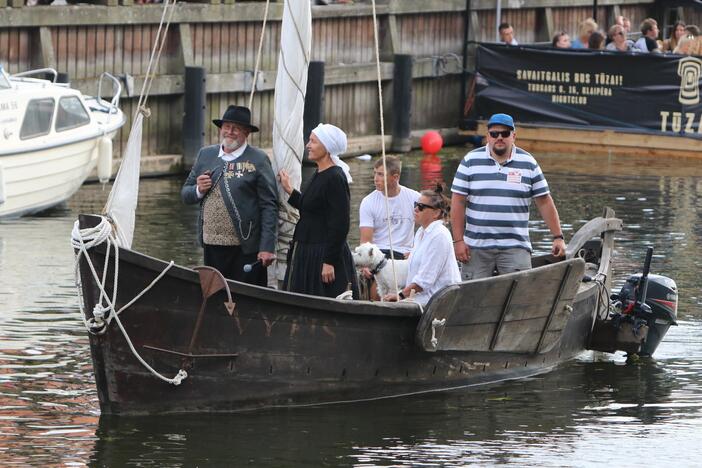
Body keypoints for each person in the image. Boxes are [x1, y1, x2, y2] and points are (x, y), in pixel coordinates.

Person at [450, 113, 566, 280]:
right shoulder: (470, 161)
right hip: (476, 248)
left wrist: (558, 237)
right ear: (487, 136)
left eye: (505, 134)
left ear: (514, 136)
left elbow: (544, 201)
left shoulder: (529, 163)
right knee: (472, 301)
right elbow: (458, 202)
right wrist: (458, 241)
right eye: (494, 134)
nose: (499, 138)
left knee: (520, 300)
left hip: (516, 247)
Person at [181, 105, 278, 286]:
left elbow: (269, 205)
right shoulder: (205, 154)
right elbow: (186, 194)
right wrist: (198, 190)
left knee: (247, 298)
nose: (230, 132)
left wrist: (266, 247)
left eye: (236, 128)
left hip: (245, 245)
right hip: (211, 244)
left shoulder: (258, 159)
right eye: (226, 127)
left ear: (246, 132)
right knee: (214, 295)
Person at [279, 123, 359, 299]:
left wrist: (329, 261)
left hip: (321, 254)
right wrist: (290, 190)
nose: (308, 145)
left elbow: (340, 223)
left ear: (327, 147)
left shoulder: (335, 177)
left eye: (313, 141)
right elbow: (311, 207)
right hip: (308, 250)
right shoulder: (320, 173)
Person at [383, 186, 461, 306]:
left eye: (421, 207)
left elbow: (424, 280)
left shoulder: (439, 235)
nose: (415, 209)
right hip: (421, 298)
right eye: (416, 204)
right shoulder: (421, 232)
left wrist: (400, 295)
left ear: (436, 213)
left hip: (437, 302)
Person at [359, 156, 419, 259]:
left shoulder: (415, 198)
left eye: (381, 174)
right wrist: (365, 264)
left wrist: (417, 251)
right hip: (379, 256)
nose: (375, 179)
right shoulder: (368, 202)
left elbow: (430, 228)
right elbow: (365, 242)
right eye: (375, 173)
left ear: (395, 177)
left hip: (405, 255)